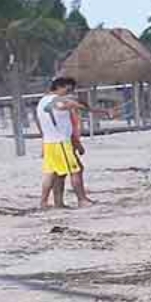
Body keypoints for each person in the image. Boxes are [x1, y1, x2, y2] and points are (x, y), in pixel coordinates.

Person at [34, 77, 97, 209]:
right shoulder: (58, 101)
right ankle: (81, 200)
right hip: (61, 142)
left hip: (49, 143)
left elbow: (40, 124)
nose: (69, 93)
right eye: (68, 90)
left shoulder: (42, 102)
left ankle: (55, 202)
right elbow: (71, 108)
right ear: (59, 87)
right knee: (76, 170)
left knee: (56, 173)